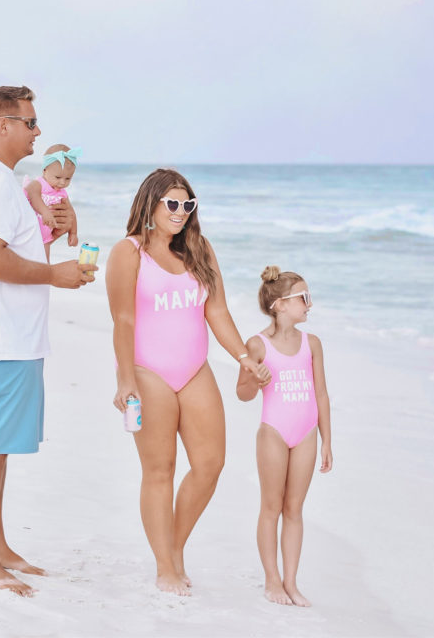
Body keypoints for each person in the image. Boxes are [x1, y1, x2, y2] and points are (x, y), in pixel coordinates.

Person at [0, 86, 98, 597]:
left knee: (0, 447)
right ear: (3, 125)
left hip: (9, 336)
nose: (39, 132)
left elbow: (13, 246)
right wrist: (54, 275)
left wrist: (52, 237)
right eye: (31, 123)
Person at [105, 168, 271, 596]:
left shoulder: (199, 248)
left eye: (188, 205)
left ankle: (173, 548)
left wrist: (242, 357)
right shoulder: (128, 253)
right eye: (173, 204)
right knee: (159, 471)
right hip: (148, 372)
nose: (181, 212)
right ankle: (166, 567)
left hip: (195, 370)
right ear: (151, 205)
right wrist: (126, 380)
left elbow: (216, 312)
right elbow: (122, 320)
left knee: (210, 465)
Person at [236, 266, 333, 607]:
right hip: (273, 433)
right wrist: (256, 380)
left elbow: (321, 394)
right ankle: (272, 580)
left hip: (306, 434)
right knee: (272, 507)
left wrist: (327, 441)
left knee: (295, 509)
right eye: (303, 298)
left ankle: (291, 582)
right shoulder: (257, 345)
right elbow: (242, 394)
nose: (309, 304)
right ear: (279, 304)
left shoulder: (312, 344)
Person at [23, 143, 80, 258]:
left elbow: (71, 213)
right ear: (45, 170)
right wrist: (45, 212)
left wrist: (73, 233)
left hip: (45, 239)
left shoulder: (62, 193)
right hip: (28, 234)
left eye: (67, 178)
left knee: (44, 265)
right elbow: (33, 195)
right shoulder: (38, 184)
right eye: (58, 177)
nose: (62, 182)